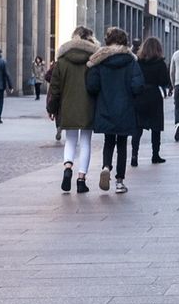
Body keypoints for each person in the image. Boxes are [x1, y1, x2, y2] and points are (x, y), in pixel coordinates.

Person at [86, 27, 145, 194]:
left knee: (109, 141)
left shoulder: (99, 61)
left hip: (105, 107)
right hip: (125, 108)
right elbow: (138, 85)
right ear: (124, 41)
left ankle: (106, 166)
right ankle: (119, 181)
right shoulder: (131, 61)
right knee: (122, 144)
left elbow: (92, 86)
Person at [47, 27, 98, 194]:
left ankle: (67, 167)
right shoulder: (93, 60)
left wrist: (52, 108)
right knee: (85, 142)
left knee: (70, 140)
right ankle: (81, 180)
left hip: (67, 106)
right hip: (87, 106)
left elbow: (55, 88)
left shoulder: (61, 61)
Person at [131, 36, 171, 166]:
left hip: (140, 95)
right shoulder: (160, 63)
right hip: (154, 96)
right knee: (156, 127)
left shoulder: (138, 62)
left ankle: (134, 155)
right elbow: (164, 82)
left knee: (138, 127)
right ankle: (155, 155)